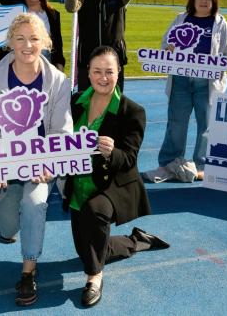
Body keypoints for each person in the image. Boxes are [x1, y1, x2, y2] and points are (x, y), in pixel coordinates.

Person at [64, 46, 169, 308]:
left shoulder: (132, 111)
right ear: (87, 72)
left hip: (112, 184)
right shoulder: (74, 103)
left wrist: (112, 152)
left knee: (94, 214)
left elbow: (130, 159)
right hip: (78, 183)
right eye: (97, 71)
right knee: (87, 250)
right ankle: (137, 241)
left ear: (118, 72)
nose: (103, 77)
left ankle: (95, 278)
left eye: (109, 71)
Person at [0, 13, 72, 307]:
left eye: (34, 38)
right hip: (6, 163)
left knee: (34, 206)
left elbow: (61, 129)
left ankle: (28, 271)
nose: (27, 45)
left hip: (39, 164)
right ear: (10, 43)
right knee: (8, 229)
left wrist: (48, 164)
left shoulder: (57, 81)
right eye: (20, 38)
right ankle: (5, 212)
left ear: (44, 42)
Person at [144, 0, 227, 183]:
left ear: (214, 2)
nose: (204, 1)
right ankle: (169, 163)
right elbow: (165, 45)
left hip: (207, 83)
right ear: (193, 0)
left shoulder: (221, 24)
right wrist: (168, 50)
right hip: (181, 81)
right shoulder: (180, 19)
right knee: (176, 123)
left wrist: (222, 64)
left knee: (206, 125)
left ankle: (203, 165)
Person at [65, 0, 142, 92]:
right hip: (87, 61)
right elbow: (70, 7)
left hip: (114, 62)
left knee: (113, 109)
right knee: (85, 108)